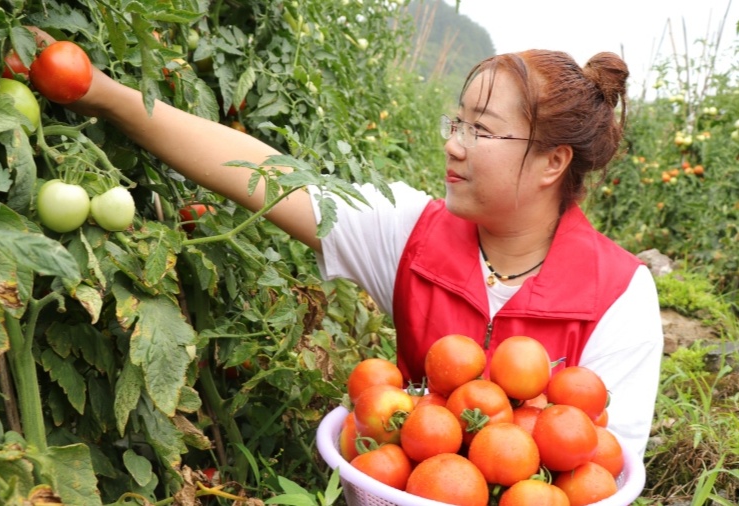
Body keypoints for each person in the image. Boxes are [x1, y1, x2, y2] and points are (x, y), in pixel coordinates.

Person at [66, 48, 663, 459]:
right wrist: (105, 94)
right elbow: (267, 175)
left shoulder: (617, 297)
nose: (453, 146)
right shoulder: (413, 235)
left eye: (480, 130)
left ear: (553, 162)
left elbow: (598, 468)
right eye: (454, 123)